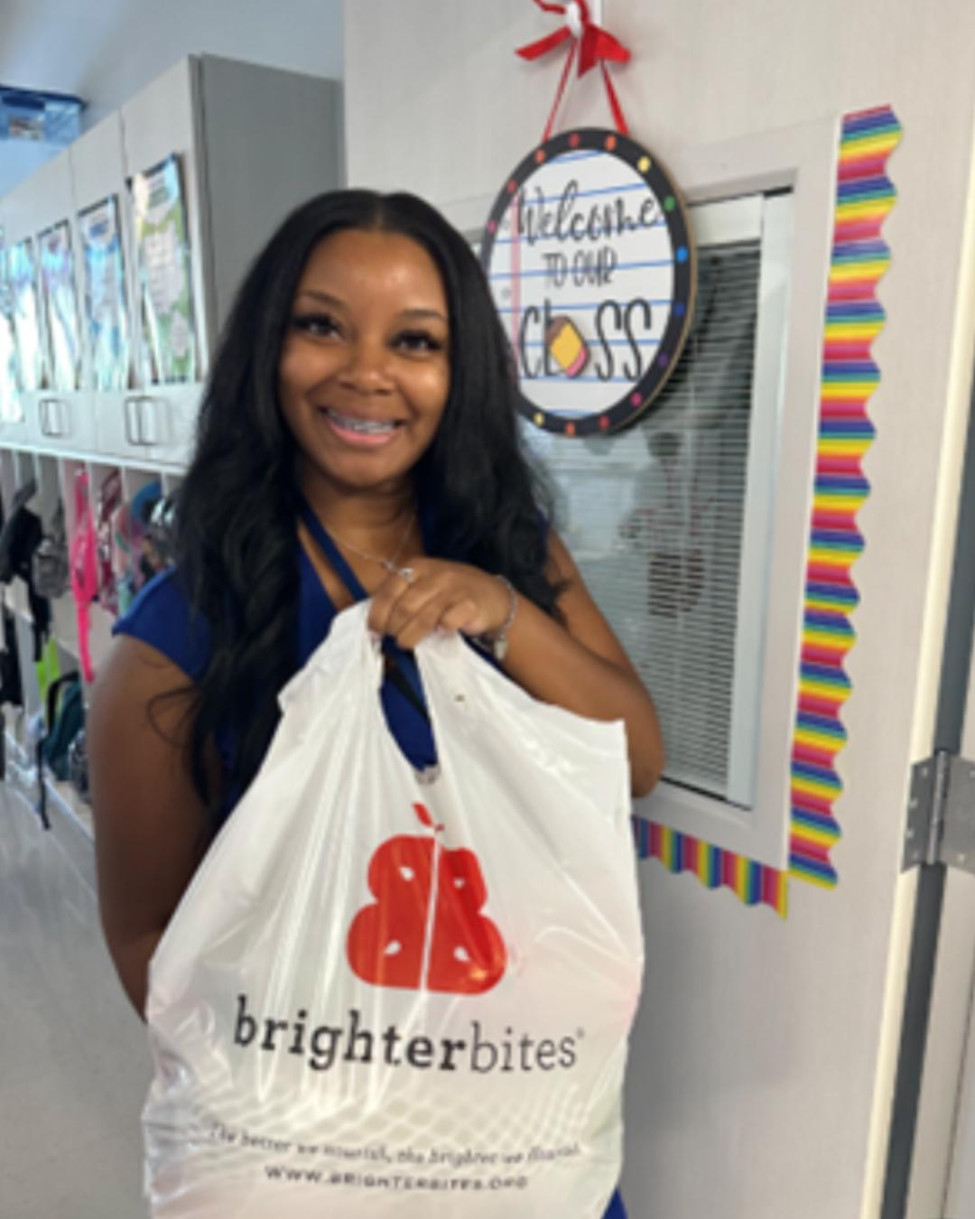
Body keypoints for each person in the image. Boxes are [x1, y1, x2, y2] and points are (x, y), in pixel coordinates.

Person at [88, 189, 664, 1219]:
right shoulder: (178, 639)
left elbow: (635, 758)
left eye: (415, 340)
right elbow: (147, 940)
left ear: (460, 370)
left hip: (508, 1143)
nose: (366, 371)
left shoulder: (512, 546)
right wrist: (342, 1123)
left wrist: (504, 614)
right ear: (268, 349)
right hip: (313, 1160)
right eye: (320, 326)